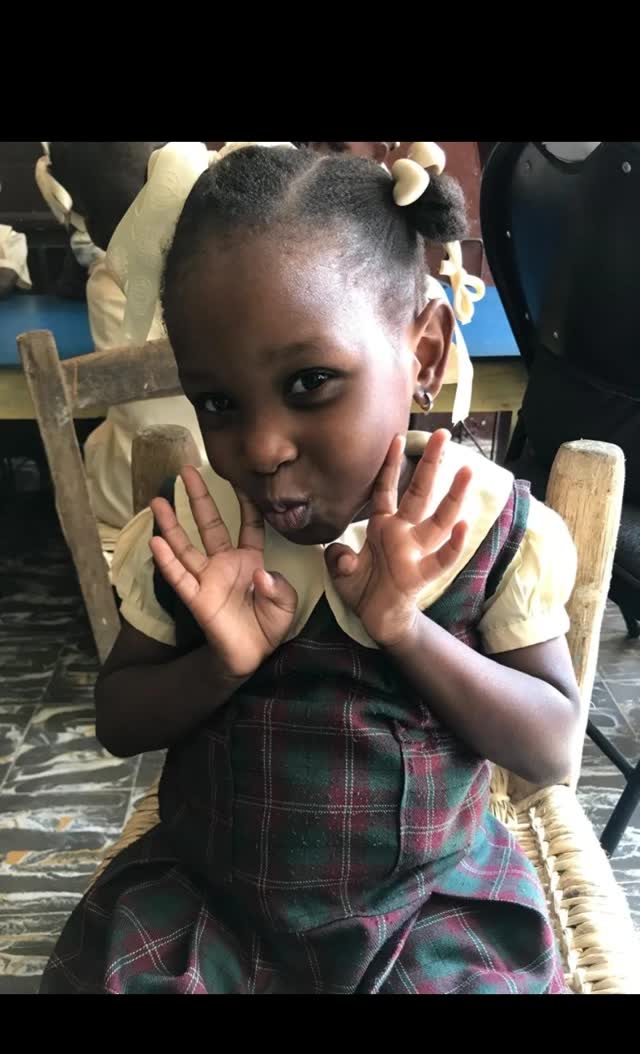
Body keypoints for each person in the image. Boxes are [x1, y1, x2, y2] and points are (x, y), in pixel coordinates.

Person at [40, 142, 580, 995]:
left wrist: (405, 631)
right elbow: (118, 720)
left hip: (427, 911)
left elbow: (549, 748)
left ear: (426, 354)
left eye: (312, 382)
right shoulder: (192, 536)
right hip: (212, 906)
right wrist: (219, 663)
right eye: (216, 401)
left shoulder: (483, 529)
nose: (259, 448)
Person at [36, 142, 209, 553]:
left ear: (87, 221)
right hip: (249, 494)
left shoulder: (108, 280)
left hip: (141, 510)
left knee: (99, 446)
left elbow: (138, 411)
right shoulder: (240, 253)